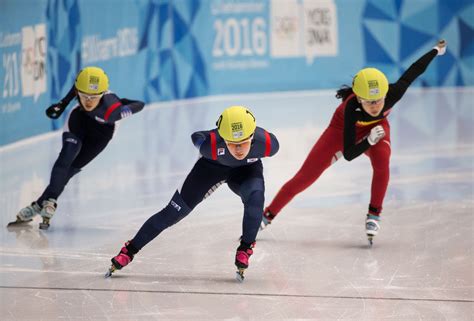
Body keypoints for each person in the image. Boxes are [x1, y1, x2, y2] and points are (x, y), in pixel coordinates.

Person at [260, 40, 447, 245]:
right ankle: (267, 215)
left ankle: (374, 214)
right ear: (358, 98)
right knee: (305, 177)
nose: (375, 106)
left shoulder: (394, 93)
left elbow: (415, 70)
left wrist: (435, 50)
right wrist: (369, 140)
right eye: (369, 101)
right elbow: (349, 154)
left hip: (376, 129)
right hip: (340, 132)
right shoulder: (351, 109)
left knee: (383, 162)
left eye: (379, 100)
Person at [106, 106, 279, 281]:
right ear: (223, 140)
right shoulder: (210, 146)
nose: (239, 150)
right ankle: (130, 250)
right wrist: (201, 145)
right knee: (172, 213)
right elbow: (197, 136)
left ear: (252, 137)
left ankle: (245, 247)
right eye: (232, 144)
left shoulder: (267, 144)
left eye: (244, 143)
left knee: (255, 199)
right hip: (211, 169)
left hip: (246, 172)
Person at [9, 66, 145, 229]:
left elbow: (140, 104)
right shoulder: (82, 94)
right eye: (83, 96)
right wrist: (63, 103)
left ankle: (38, 206)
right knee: (65, 157)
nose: (88, 101)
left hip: (101, 135)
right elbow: (77, 87)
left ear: (101, 95)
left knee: (71, 169)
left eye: (93, 97)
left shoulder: (111, 109)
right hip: (79, 121)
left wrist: (125, 111)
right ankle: (50, 201)